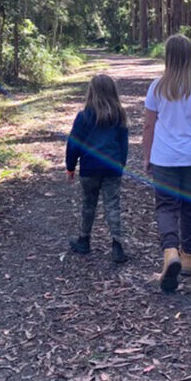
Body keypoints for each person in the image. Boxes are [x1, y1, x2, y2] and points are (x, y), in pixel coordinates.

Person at [142, 34, 191, 293]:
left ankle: (170, 251)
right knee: (190, 208)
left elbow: (148, 125)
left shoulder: (157, 88)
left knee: (166, 207)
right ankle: (187, 259)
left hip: (164, 157)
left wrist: (147, 156)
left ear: (168, 58)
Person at [65, 74, 129, 263]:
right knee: (112, 205)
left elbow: (74, 144)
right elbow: (123, 145)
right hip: (112, 168)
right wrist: (121, 165)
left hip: (89, 168)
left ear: (91, 92)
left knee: (88, 204)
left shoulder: (84, 117)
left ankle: (84, 240)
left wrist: (70, 166)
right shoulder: (119, 116)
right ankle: (117, 245)